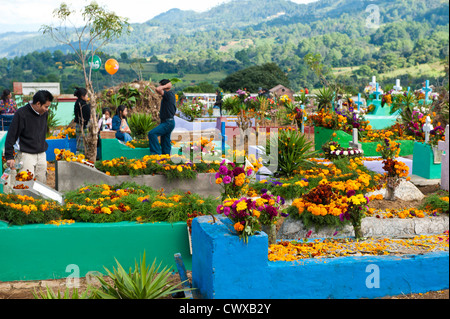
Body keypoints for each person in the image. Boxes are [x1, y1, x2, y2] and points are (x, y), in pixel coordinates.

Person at [4, 90, 53, 186]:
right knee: (25, 184)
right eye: (46, 106)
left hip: (41, 154)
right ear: (38, 104)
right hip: (26, 154)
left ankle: (40, 201)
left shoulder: (44, 114)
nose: (47, 109)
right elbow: (11, 135)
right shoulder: (21, 113)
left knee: (42, 183)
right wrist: (9, 157)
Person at [148, 79, 177, 155]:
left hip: (168, 122)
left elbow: (158, 89)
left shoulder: (169, 94)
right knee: (165, 142)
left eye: (161, 85)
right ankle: (166, 158)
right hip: (167, 122)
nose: (159, 87)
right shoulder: (168, 95)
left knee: (152, 134)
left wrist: (167, 85)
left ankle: (156, 154)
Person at [73, 87, 91, 154]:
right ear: (82, 96)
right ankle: (83, 157)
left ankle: (80, 157)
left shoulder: (77, 103)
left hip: (79, 124)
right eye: (86, 95)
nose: (87, 96)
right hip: (83, 125)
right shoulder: (83, 104)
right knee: (84, 143)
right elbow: (87, 115)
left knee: (79, 143)